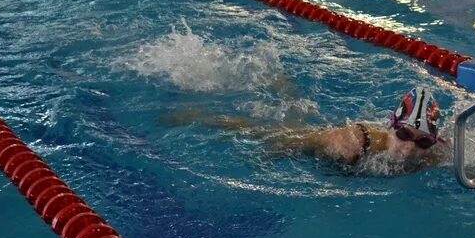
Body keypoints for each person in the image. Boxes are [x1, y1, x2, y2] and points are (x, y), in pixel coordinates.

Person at [187, 88, 448, 174]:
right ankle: (199, 116)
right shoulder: (358, 142)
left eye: (423, 142)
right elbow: (296, 142)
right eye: (403, 135)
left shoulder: (432, 158)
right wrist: (264, 158)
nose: (410, 147)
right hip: (318, 143)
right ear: (391, 128)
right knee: (267, 129)